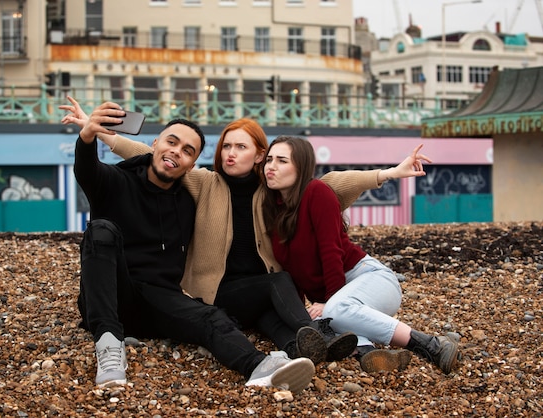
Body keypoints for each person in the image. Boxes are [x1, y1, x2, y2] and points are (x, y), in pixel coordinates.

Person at [61, 96, 430, 366]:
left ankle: (314, 354)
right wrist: (98, 135)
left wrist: (388, 174)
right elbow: (155, 152)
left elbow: (329, 185)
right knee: (279, 282)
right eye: (227, 147)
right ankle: (325, 333)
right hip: (216, 291)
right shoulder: (203, 182)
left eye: (241, 147)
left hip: (256, 293)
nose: (230, 154)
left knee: (280, 326)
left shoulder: (271, 189)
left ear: (259, 156)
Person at [74, 102, 316, 392]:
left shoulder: (188, 201)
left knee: (210, 316)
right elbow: (87, 170)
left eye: (188, 151)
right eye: (171, 142)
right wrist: (88, 136)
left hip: (158, 301)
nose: (177, 151)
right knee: (101, 229)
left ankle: (257, 366)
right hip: (108, 297)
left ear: (191, 165)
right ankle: (109, 347)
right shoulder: (115, 182)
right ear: (155, 144)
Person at [262, 135, 460, 375]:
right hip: (341, 299)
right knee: (322, 325)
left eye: (281, 161)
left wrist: (327, 302)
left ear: (301, 167)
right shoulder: (275, 210)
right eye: (269, 159)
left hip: (370, 279)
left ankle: (432, 345)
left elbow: (331, 251)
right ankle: (371, 354)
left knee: (335, 312)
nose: (271, 166)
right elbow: (294, 272)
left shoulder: (316, 192)